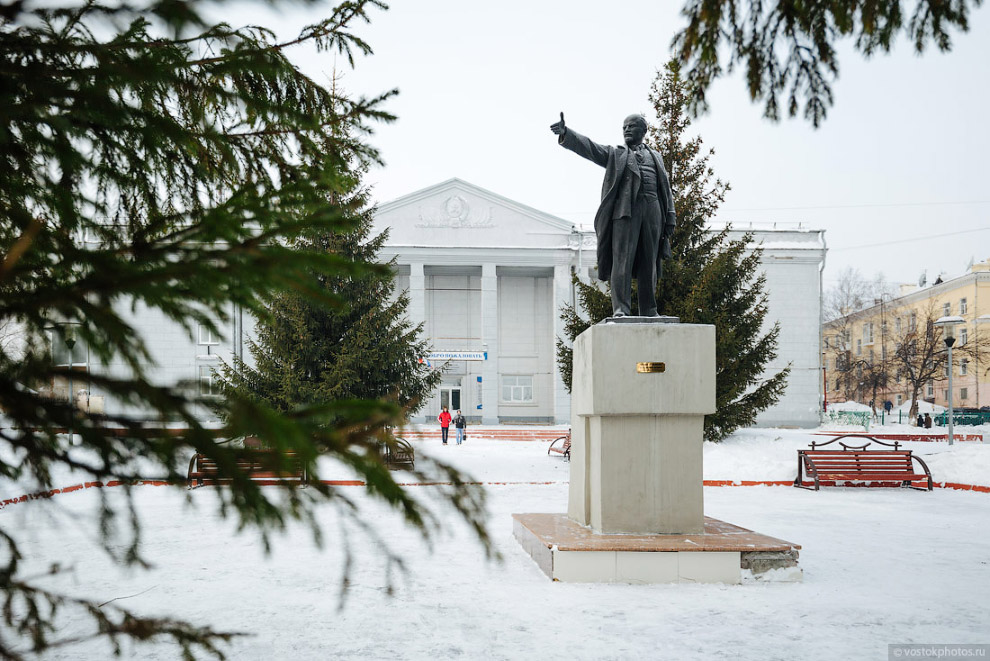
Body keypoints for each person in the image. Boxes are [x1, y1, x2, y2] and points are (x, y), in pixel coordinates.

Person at [550, 112, 676, 318]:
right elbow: (590, 148)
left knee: (649, 262)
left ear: (643, 131)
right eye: (624, 127)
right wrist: (567, 134)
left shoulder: (657, 157)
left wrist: (670, 215)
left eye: (631, 126)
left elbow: (666, 188)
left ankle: (650, 310)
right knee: (622, 261)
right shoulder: (616, 154)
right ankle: (621, 309)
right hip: (625, 213)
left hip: (653, 211)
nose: (626, 130)